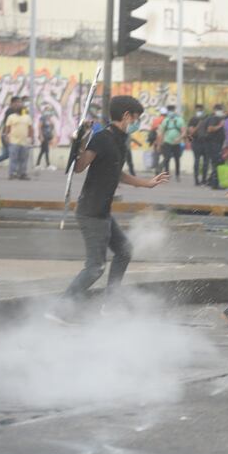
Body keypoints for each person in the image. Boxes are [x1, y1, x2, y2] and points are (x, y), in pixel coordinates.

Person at [63, 96, 169, 301]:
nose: (137, 123)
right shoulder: (101, 138)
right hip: (91, 212)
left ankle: (111, 301)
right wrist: (81, 140)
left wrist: (147, 183)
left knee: (124, 251)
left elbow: (117, 173)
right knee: (95, 268)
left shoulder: (120, 141)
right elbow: (79, 166)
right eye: (136, 118)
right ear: (126, 116)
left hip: (102, 211)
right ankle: (59, 310)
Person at [0, 96, 21, 176]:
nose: (19, 104)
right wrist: (6, 136)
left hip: (11, 136)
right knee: (13, 153)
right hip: (7, 135)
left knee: (6, 154)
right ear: (13, 103)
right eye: (18, 102)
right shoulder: (10, 111)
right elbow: (7, 124)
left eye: (20, 102)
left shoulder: (18, 111)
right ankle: (15, 172)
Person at [4, 98, 34, 180]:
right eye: (18, 107)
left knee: (23, 159)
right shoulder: (11, 117)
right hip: (14, 142)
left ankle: (22, 174)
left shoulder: (27, 117)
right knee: (13, 159)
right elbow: (7, 128)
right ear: (15, 110)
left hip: (24, 142)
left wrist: (31, 138)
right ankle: (12, 174)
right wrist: (6, 136)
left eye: (21, 106)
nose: (20, 107)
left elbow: (30, 129)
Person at [157, 104, 185, 181]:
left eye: (172, 110)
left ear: (174, 111)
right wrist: (159, 144)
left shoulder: (179, 120)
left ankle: (177, 175)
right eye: (169, 111)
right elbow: (161, 133)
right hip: (167, 142)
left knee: (177, 159)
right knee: (167, 159)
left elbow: (183, 132)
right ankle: (166, 175)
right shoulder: (165, 120)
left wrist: (179, 138)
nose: (171, 112)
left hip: (176, 143)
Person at [205, 104, 226, 189]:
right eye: (220, 109)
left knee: (217, 163)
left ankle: (211, 182)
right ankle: (215, 184)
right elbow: (210, 129)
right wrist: (220, 126)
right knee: (216, 163)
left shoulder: (217, 118)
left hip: (216, 144)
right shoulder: (214, 118)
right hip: (214, 144)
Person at [187, 104, 209, 185]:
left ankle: (204, 179)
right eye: (198, 110)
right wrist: (198, 125)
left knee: (205, 162)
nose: (199, 111)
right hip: (196, 142)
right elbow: (191, 132)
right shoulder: (193, 119)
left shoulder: (207, 118)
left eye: (200, 110)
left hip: (205, 142)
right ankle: (196, 180)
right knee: (197, 161)